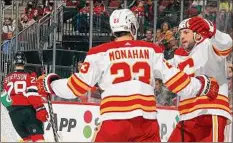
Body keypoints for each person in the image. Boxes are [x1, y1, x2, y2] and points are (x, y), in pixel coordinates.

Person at [37, 9, 219, 142]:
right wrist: (203, 85)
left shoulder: (98, 52)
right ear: (133, 27)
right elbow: (177, 82)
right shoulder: (151, 49)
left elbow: (76, 87)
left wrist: (50, 83)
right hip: (146, 124)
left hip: (114, 122)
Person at [168, 16, 232, 142]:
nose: (182, 37)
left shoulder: (208, 45)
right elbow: (164, 68)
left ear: (197, 34)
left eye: (186, 32)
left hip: (210, 111)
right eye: (180, 33)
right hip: (187, 116)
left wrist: (212, 30)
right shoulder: (179, 55)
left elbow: (227, 44)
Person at [0, 52, 48, 142]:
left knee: (27, 139)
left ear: (14, 62)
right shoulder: (30, 75)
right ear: (24, 62)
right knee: (37, 138)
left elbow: (3, 99)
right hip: (28, 111)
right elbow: (32, 94)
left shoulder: (6, 78)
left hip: (13, 114)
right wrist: (40, 108)